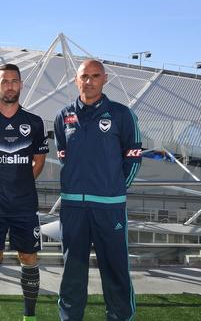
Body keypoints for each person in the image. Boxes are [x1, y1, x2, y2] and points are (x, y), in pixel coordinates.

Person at [54, 59, 142, 321]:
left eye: (95, 76)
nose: (89, 81)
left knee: (115, 271)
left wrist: (113, 189)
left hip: (109, 207)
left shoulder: (122, 114)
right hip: (73, 208)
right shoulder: (63, 116)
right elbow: (64, 157)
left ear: (105, 79)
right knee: (72, 272)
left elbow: (133, 157)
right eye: (84, 76)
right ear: (76, 80)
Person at [0, 63, 49, 321]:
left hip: (24, 205)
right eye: (5, 82)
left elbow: (38, 161)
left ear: (21, 85)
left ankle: (30, 316)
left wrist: (22, 183)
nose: (10, 86)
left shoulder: (34, 122)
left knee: (28, 256)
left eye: (14, 81)